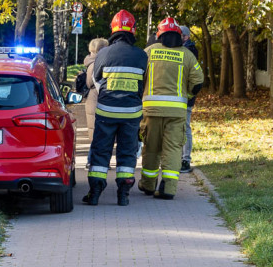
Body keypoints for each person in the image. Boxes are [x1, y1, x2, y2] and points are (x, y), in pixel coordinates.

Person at [83, 11, 148, 207]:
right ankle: (123, 194)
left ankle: (94, 193)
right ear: (133, 30)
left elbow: (95, 80)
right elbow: (143, 84)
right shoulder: (141, 55)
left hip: (106, 111)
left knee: (101, 150)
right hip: (132, 113)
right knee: (127, 152)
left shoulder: (103, 53)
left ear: (113, 30)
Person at [138, 18, 203, 199]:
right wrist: (187, 96)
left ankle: (148, 184)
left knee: (151, 148)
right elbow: (198, 82)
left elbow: (138, 77)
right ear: (178, 36)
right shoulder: (187, 55)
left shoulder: (148, 52)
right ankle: (168, 188)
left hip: (151, 111)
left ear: (159, 35)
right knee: (173, 149)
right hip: (176, 113)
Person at [180, 26, 200, 173]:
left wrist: (189, 95)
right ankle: (180, 158)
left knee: (185, 127)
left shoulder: (190, 51)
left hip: (186, 97)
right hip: (181, 96)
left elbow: (195, 78)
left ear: (185, 36)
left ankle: (185, 159)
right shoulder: (186, 49)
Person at [83, 37, 109, 135]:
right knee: (98, 133)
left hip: (92, 99)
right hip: (97, 99)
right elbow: (90, 83)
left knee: (94, 131)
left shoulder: (90, 62)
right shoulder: (97, 63)